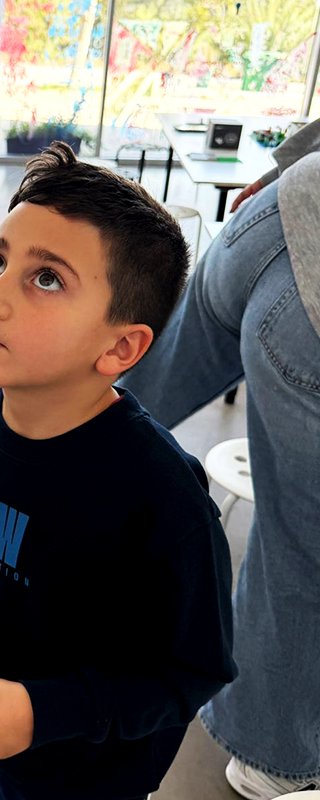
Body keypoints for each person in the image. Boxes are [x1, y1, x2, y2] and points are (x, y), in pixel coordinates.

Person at [0, 143, 237, 800]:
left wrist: (41, 714)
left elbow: (190, 671)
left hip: (88, 775)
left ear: (120, 346)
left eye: (46, 279)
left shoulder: (160, 497)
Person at [118, 124, 320, 800]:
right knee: (300, 549)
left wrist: (286, 166)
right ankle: (271, 754)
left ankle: (23, 502)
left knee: (122, 397)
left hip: (276, 216)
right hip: (313, 316)